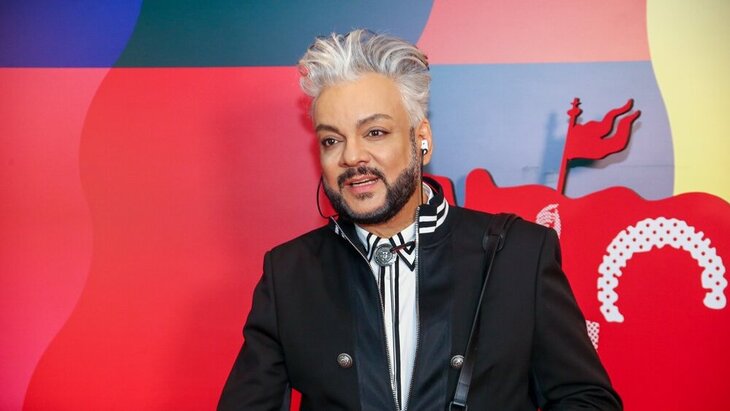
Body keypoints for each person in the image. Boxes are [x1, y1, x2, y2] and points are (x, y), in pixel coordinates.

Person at [218, 29, 622, 411]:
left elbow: (587, 400)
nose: (351, 156)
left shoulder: (518, 254)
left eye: (375, 132)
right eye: (332, 140)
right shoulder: (290, 273)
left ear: (421, 138)